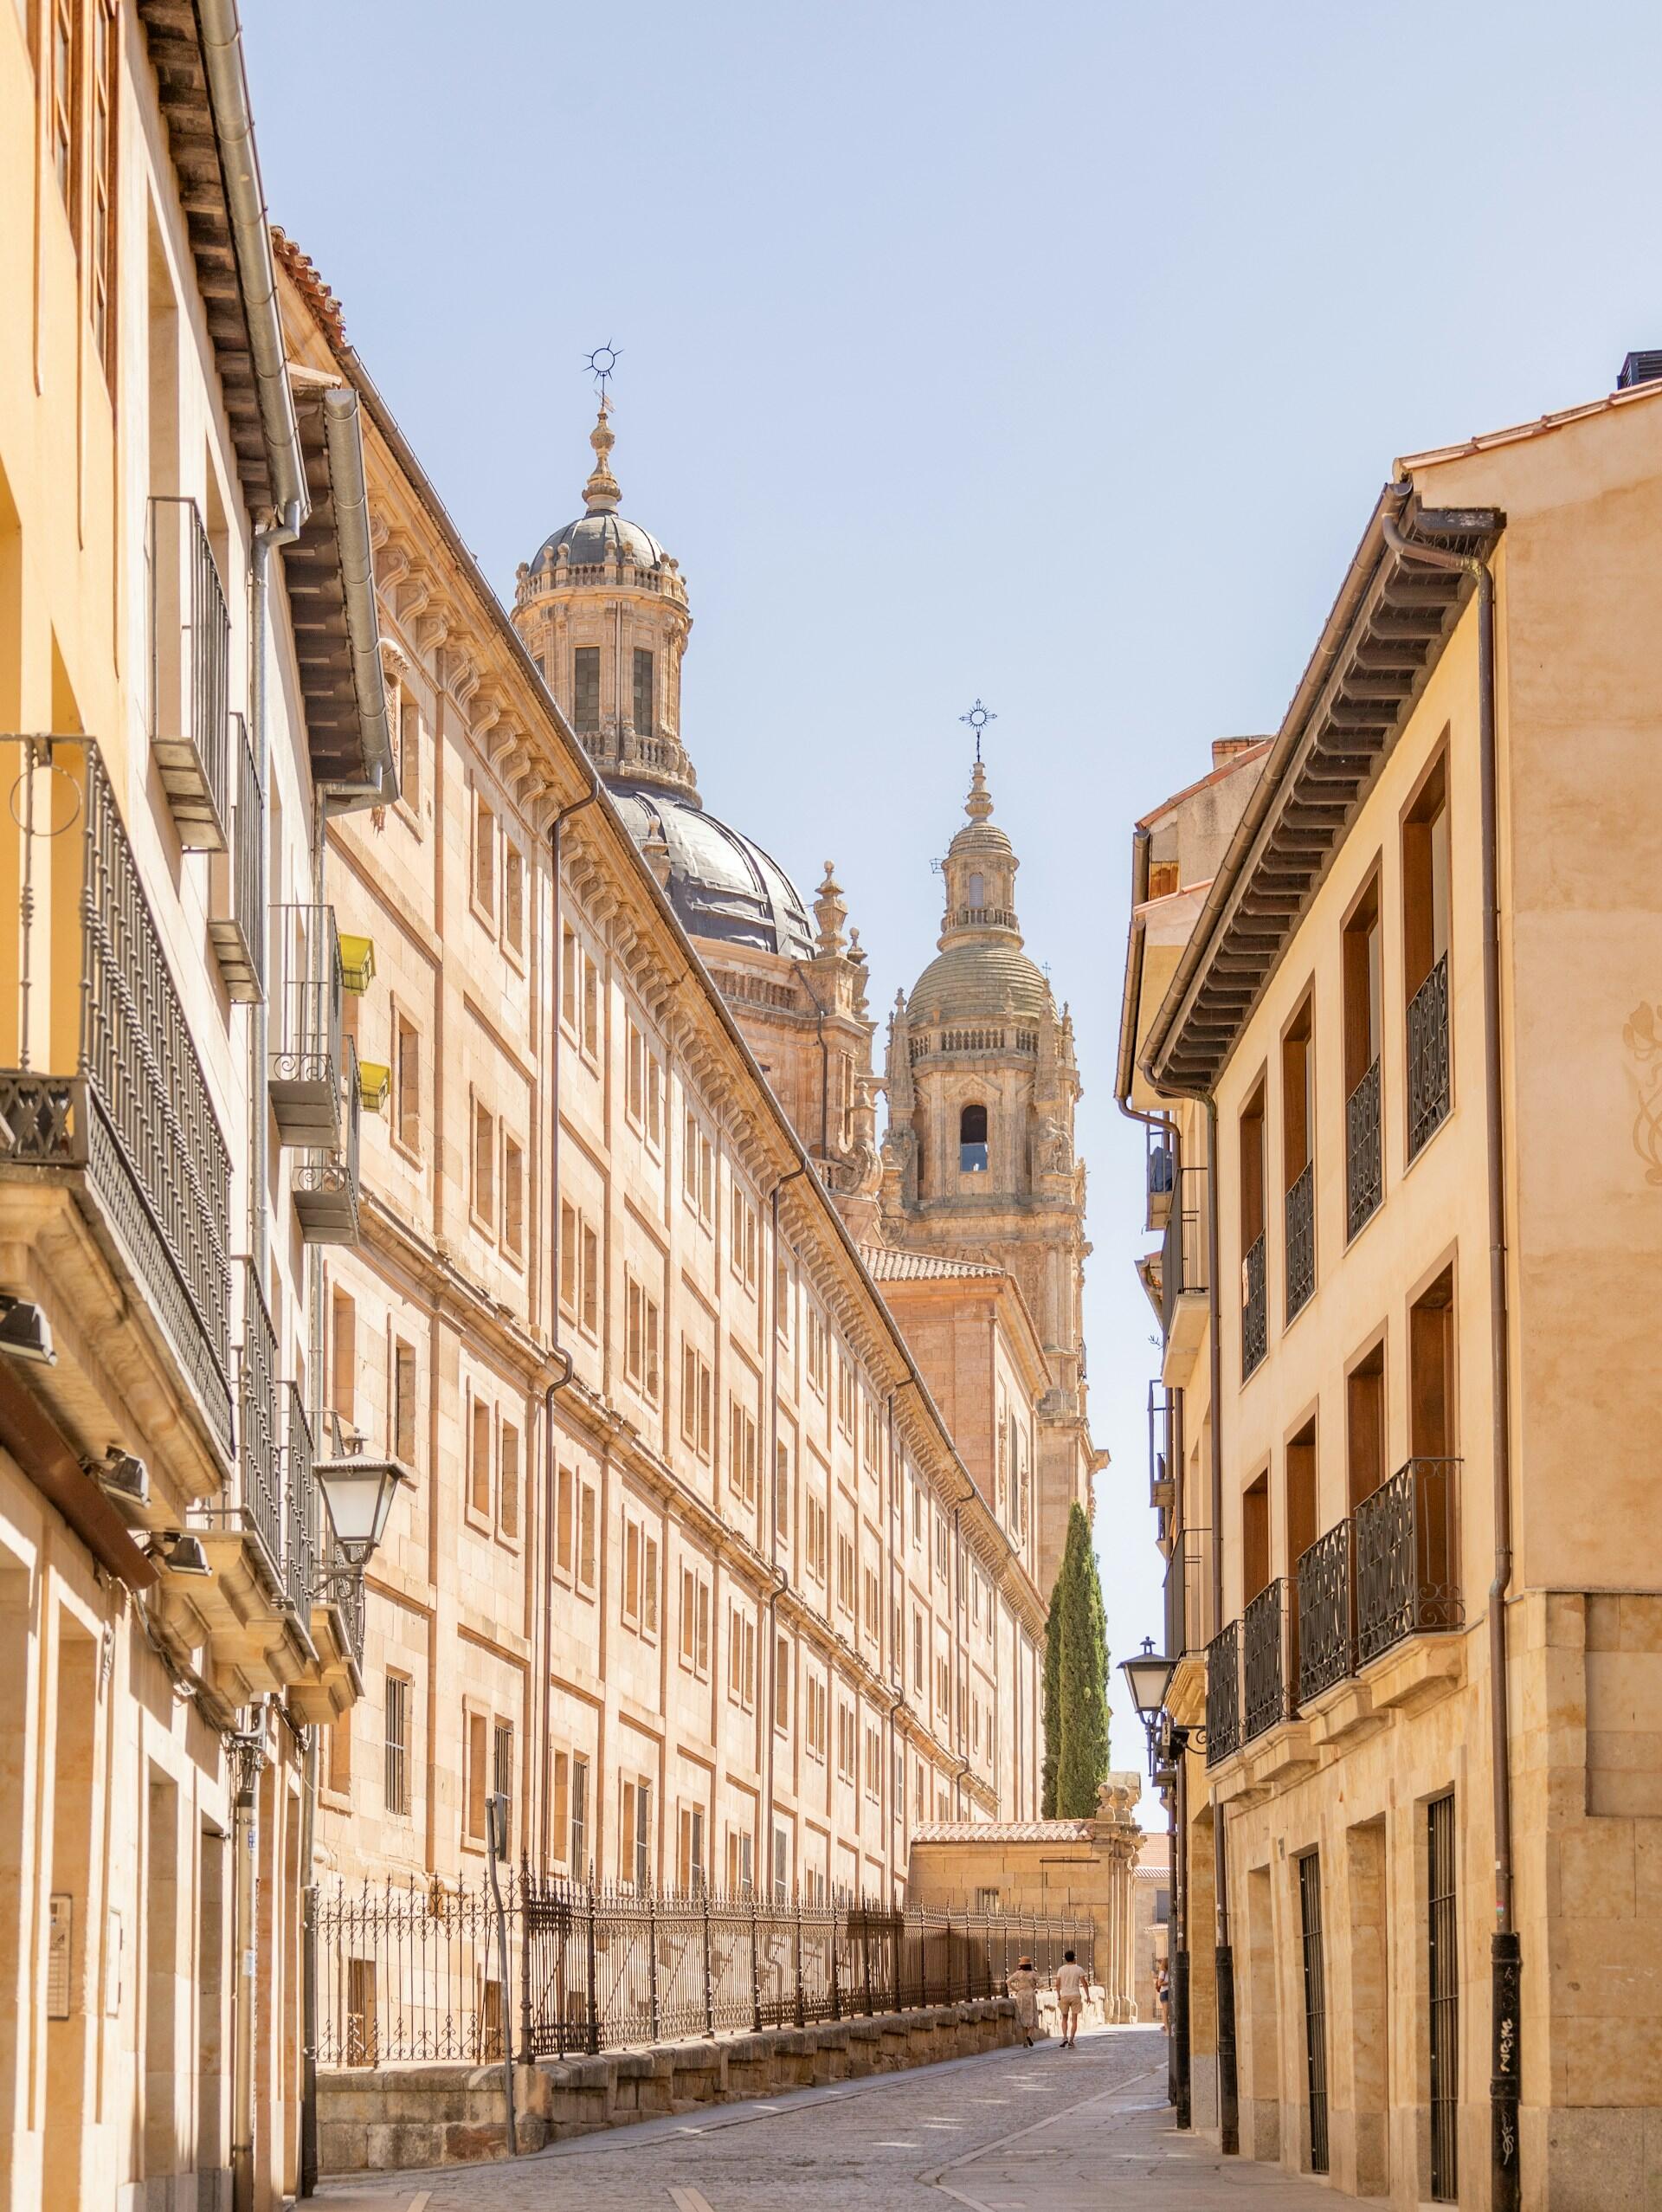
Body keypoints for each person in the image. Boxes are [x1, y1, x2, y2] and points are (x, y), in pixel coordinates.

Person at [1055, 1949, 1087, 2048]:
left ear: (1065, 1959)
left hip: (1064, 1995)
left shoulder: (1061, 1969)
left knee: (1064, 2018)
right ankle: (1071, 2040)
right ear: (1074, 1958)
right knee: (1074, 2019)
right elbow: (1084, 1983)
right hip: (1075, 1995)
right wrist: (1088, 1996)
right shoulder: (1079, 1969)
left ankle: (1064, 2037)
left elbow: (1057, 1984)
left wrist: (1059, 1995)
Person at [1006, 1955, 1039, 2047]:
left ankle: (1025, 2042)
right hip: (1030, 1995)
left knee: (1023, 2017)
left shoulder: (1018, 1973)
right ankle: (1029, 2036)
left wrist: (1016, 1990)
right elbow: (1041, 1984)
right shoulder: (1033, 1974)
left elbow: (1008, 1981)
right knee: (1031, 2017)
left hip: (1021, 1995)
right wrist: (1034, 1987)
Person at [1155, 1963, 1171, 2035]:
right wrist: (1169, 1982)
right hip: (1164, 1993)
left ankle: (1166, 2027)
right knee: (1165, 2011)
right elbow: (1159, 1983)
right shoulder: (1162, 1972)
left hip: (1168, 1993)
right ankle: (1167, 2030)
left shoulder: (1169, 1972)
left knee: (1167, 2012)